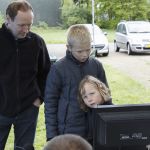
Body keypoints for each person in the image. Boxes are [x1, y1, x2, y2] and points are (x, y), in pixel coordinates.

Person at [44, 24, 112, 145]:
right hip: (69, 132)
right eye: (80, 51)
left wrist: (110, 122)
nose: (85, 54)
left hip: (95, 130)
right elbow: (50, 104)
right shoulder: (58, 69)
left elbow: (106, 95)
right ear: (68, 47)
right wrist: (52, 137)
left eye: (88, 49)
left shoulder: (96, 66)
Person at [0, 0, 50, 149]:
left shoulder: (37, 42)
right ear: (8, 19)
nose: (26, 29)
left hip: (28, 110)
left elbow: (46, 72)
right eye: (21, 25)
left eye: (29, 25)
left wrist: (39, 98)